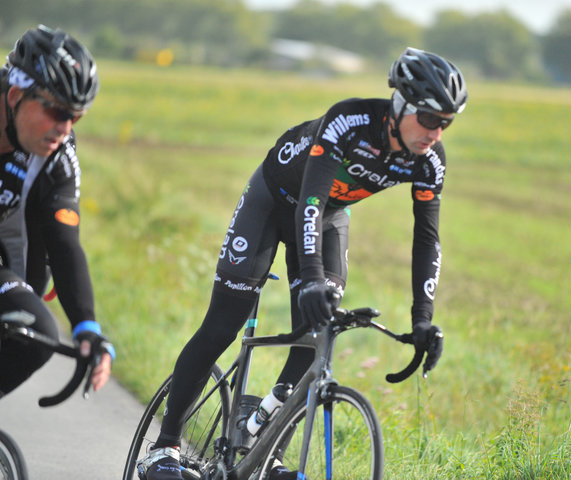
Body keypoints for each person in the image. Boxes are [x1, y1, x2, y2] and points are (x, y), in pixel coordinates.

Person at [137, 47, 466, 480]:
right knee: (221, 325)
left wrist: (422, 318)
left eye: (446, 123)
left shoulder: (428, 161)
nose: (435, 134)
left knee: (316, 336)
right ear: (400, 104)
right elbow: (308, 200)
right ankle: (165, 448)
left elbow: (427, 239)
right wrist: (310, 277)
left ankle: (263, 443)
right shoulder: (349, 122)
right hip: (274, 201)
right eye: (428, 119)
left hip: (328, 216)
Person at [0, 25, 115, 400]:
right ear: (16, 95)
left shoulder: (58, 152)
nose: (64, 129)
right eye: (56, 111)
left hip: (8, 244)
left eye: (75, 117)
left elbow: (64, 243)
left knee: (37, 333)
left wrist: (87, 327)